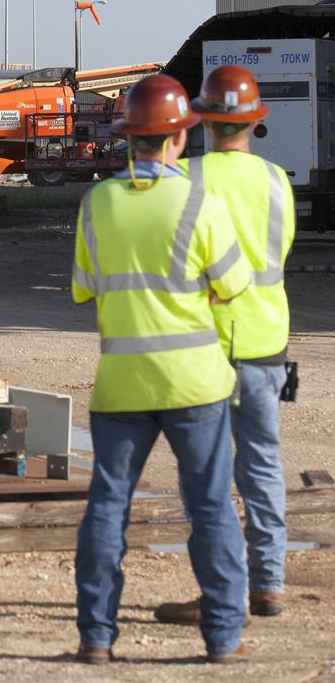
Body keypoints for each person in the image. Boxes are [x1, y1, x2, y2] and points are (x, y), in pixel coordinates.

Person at [72, 74, 253, 665]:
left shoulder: (97, 203)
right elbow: (235, 286)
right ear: (178, 137)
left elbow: (86, 289)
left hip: (122, 383)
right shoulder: (203, 203)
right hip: (195, 382)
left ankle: (97, 638)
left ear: (129, 138)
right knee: (208, 506)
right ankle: (223, 638)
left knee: (107, 505)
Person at [156, 64, 295, 626]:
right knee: (262, 466)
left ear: (204, 120)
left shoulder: (185, 179)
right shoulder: (276, 180)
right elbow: (278, 253)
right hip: (265, 342)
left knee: (207, 474)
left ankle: (219, 591)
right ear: (253, 122)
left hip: (203, 347)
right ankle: (269, 585)